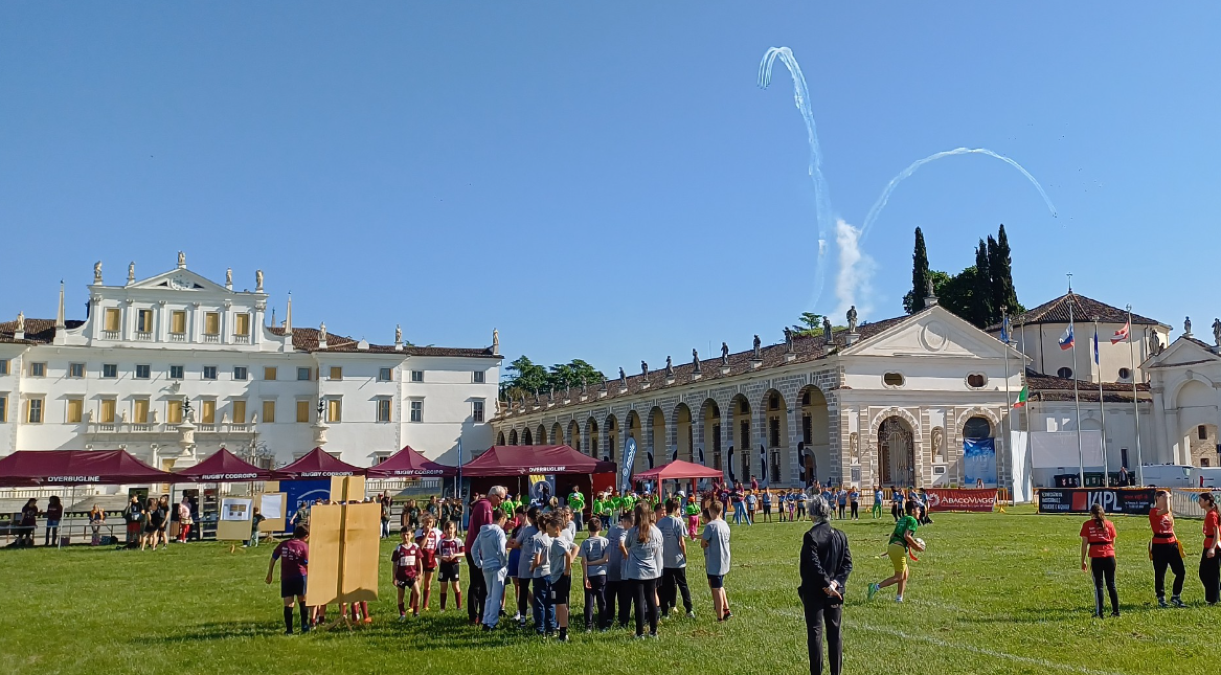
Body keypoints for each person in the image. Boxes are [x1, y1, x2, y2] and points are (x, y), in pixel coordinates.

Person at [801, 496, 853, 675]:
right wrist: (835, 583)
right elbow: (847, 564)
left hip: (815, 590)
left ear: (813, 514)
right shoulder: (840, 535)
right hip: (835, 592)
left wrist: (826, 584)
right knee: (835, 633)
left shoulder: (810, 536)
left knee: (815, 633)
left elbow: (813, 564)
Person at [868, 500, 925, 603]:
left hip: (893, 546)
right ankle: (875, 587)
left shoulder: (902, 519)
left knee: (905, 573)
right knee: (899, 576)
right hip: (898, 549)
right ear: (913, 511)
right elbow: (906, 536)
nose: (920, 511)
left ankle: (899, 598)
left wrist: (889, 550)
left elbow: (893, 535)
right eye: (918, 509)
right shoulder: (913, 521)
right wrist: (917, 547)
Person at [622, 504, 663, 639]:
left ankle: (639, 633)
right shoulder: (656, 531)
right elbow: (658, 549)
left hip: (635, 571)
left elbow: (626, 544)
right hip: (651, 570)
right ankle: (653, 631)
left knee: (638, 601)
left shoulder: (632, 532)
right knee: (651, 600)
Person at [465, 486, 504, 626]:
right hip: (478, 551)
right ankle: (479, 616)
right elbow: (488, 531)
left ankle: (475, 615)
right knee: (480, 585)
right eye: (501, 498)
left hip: (472, 548)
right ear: (493, 495)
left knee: (477, 584)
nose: (501, 502)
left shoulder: (482, 504)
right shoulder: (485, 506)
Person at [266, 524, 310, 634]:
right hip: (301, 576)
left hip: (286, 578)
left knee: (288, 603)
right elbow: (306, 564)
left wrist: (270, 573)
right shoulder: (304, 546)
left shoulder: (283, 544)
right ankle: (304, 626)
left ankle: (289, 629)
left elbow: (273, 558)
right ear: (306, 536)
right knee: (302, 601)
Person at [1080, 504, 1120, 618]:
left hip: (1096, 557)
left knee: (1099, 586)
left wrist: (1083, 560)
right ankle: (1116, 611)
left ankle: (1100, 613)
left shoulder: (1087, 525)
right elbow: (1112, 542)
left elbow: (1084, 545)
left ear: (1091, 513)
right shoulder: (1109, 524)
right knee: (1111, 584)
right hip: (1110, 556)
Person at [657, 497, 694, 618]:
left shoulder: (660, 523)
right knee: (683, 585)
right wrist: (684, 554)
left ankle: (665, 612)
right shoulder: (678, 522)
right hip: (677, 560)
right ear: (675, 508)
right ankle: (689, 610)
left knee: (665, 586)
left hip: (664, 560)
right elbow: (682, 541)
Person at [472, 509, 509, 630]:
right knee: (496, 597)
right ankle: (491, 623)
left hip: (486, 566)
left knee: (489, 595)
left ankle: (486, 620)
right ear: (502, 519)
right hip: (497, 566)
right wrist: (504, 563)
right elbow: (502, 550)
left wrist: (479, 563)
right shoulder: (499, 531)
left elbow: (474, 549)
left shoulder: (483, 531)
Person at [1149, 490, 1186, 608]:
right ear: (1158, 498)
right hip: (1159, 544)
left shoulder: (1168, 513)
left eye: (1168, 498)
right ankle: (1161, 597)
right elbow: (1165, 510)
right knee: (1160, 572)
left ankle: (1176, 596)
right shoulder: (1154, 511)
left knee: (1180, 571)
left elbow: (1171, 528)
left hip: (1171, 543)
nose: (1167, 500)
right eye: (1165, 498)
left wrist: (1177, 542)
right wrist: (1167, 498)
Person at [546, 513, 578, 641]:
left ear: (557, 529)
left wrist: (566, 570)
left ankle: (563, 633)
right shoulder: (562, 540)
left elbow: (568, 554)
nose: (547, 532)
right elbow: (575, 547)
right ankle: (559, 628)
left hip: (559, 577)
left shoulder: (558, 542)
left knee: (561, 604)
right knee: (558, 603)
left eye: (549, 529)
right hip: (556, 577)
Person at [702, 499, 732, 621]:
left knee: (717, 589)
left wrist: (704, 543)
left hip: (715, 561)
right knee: (719, 585)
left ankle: (720, 616)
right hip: (724, 559)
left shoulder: (710, 525)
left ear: (710, 511)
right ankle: (726, 609)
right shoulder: (725, 524)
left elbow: (703, 542)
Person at [579, 517, 611, 631]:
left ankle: (588, 626)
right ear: (601, 528)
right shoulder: (605, 541)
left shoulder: (585, 542)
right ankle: (602, 625)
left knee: (589, 602)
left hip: (590, 574)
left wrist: (585, 576)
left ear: (588, 529)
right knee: (602, 600)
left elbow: (583, 562)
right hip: (602, 574)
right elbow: (606, 559)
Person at [529, 512, 556, 636]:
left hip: (540, 574)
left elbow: (538, 559)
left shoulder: (539, 540)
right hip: (552, 573)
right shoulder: (553, 539)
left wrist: (532, 567)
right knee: (551, 602)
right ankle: (551, 627)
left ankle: (540, 628)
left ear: (540, 526)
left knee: (539, 602)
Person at [605, 511, 632, 630]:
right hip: (621, 568)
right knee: (623, 596)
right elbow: (621, 544)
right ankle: (622, 619)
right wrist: (628, 557)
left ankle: (609, 617)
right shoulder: (625, 531)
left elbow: (606, 542)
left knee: (609, 595)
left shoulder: (612, 528)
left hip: (610, 566)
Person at [391, 527, 423, 619]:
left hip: (412, 575)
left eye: (407, 534)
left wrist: (420, 573)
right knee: (401, 595)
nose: (406, 536)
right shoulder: (398, 548)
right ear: (401, 535)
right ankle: (402, 614)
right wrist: (394, 577)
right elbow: (395, 564)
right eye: (404, 534)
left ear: (412, 535)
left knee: (417, 593)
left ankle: (416, 612)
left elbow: (419, 561)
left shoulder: (415, 547)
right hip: (401, 576)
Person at [416, 514, 442, 611]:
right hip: (421, 561)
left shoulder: (437, 532)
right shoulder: (419, 532)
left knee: (428, 583)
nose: (429, 524)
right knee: (418, 583)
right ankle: (413, 605)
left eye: (430, 522)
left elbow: (444, 539)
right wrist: (426, 534)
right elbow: (420, 547)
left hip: (431, 561)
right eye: (426, 522)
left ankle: (425, 605)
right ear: (423, 522)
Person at [437, 520, 464, 611]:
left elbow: (463, 553)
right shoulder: (441, 542)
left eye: (451, 528)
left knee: (455, 585)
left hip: (454, 565)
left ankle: (459, 607)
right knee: (443, 586)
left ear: (455, 529)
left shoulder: (458, 541)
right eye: (448, 529)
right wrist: (442, 557)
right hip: (444, 566)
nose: (450, 530)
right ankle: (442, 608)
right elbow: (436, 554)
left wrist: (455, 555)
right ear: (444, 530)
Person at [1200, 491, 1221, 604]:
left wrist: (1212, 548)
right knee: (1206, 573)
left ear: (1207, 502)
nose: (1199, 503)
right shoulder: (1210, 513)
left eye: (1201, 500)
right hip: (1208, 544)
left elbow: (1216, 533)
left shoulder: (1212, 515)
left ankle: (1213, 598)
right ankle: (1213, 594)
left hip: (1212, 545)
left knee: (1208, 573)